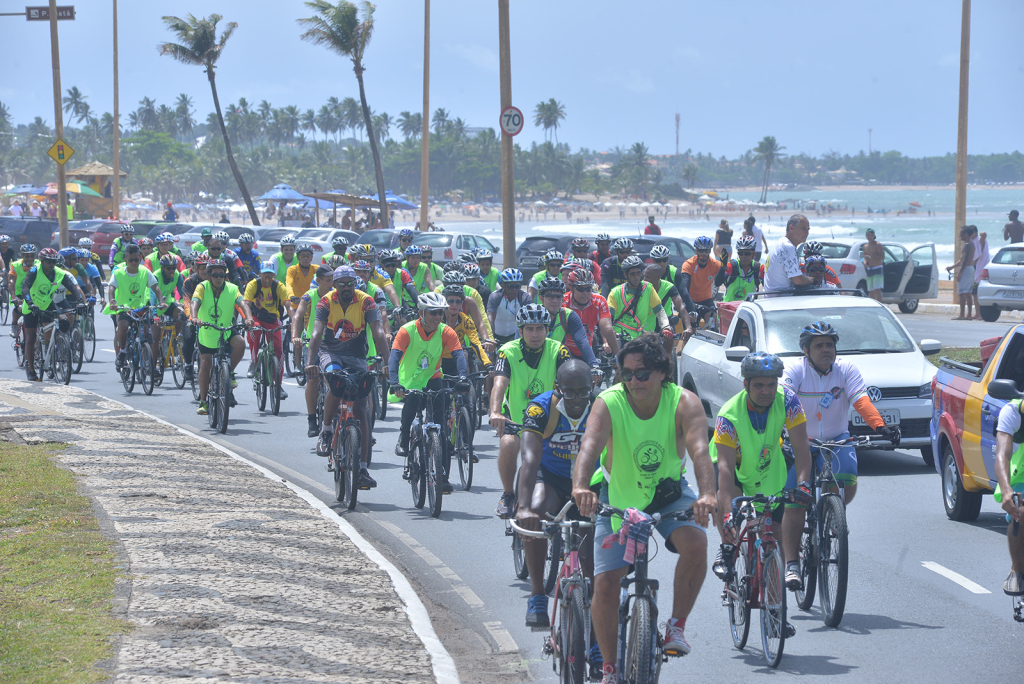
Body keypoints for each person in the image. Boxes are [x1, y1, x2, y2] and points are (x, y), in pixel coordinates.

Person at [572, 334, 718, 679]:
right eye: (627, 374)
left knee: (697, 544)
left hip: (667, 496)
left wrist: (707, 494)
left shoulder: (684, 402)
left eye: (643, 373)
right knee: (606, 582)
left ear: (663, 372)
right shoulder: (609, 402)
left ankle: (676, 626)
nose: (634, 381)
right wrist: (580, 487)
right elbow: (589, 447)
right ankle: (609, 668)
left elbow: (699, 452)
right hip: (618, 499)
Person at [710, 352, 812, 621]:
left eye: (771, 384)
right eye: (759, 385)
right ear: (746, 385)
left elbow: (802, 448)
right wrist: (730, 512)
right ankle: (727, 550)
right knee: (726, 507)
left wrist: (803, 485)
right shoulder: (728, 416)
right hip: (731, 466)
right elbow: (725, 470)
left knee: (773, 538)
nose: (766, 391)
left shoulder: (789, 401)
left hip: (768, 468)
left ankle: (776, 613)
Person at [517, 359, 596, 660]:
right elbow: (529, 458)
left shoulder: (602, 408)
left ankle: (595, 635)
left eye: (583, 393)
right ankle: (538, 595)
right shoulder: (540, 409)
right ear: (557, 389)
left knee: (592, 562)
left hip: (588, 483)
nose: (577, 400)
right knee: (536, 512)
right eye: (570, 393)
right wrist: (523, 507)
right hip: (550, 478)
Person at [782, 322, 897, 514]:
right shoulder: (795, 370)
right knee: (793, 502)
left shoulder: (846, 369)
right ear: (805, 350)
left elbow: (861, 401)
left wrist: (880, 426)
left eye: (830, 345)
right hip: (800, 440)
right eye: (819, 346)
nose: (826, 349)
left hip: (836, 438)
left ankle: (831, 514)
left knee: (848, 475)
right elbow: (784, 399)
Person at [306, 266, 390, 488]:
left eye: (350, 284)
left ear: (356, 284)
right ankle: (325, 432)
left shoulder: (366, 301)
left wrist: (389, 363)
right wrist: (310, 362)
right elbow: (316, 333)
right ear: (334, 285)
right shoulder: (325, 301)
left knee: (361, 407)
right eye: (341, 284)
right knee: (336, 383)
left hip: (356, 356)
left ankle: (362, 468)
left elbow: (378, 332)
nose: (346, 288)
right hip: (330, 352)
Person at [491, 304, 572, 517]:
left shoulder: (559, 350)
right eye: (529, 329)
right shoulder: (507, 351)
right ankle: (508, 494)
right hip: (517, 419)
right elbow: (499, 383)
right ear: (520, 331)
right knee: (508, 444)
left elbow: (569, 382)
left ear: (547, 330)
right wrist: (495, 411)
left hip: (550, 422)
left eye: (539, 328)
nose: (534, 334)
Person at [390, 291, 467, 494]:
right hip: (411, 380)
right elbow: (394, 357)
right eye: (433, 313)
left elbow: (459, 354)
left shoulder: (445, 331)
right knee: (413, 402)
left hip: (433, 378)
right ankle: (404, 436)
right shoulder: (406, 331)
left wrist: (462, 377)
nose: (437, 317)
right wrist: (395, 382)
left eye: (440, 313)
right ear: (421, 313)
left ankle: (442, 475)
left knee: (440, 426)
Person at [190, 259, 252, 416]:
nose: (218, 278)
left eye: (221, 275)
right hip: (207, 332)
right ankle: (203, 401)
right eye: (215, 275)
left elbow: (242, 303)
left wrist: (248, 317)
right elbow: (194, 302)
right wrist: (194, 317)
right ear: (209, 276)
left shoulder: (232, 288)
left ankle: (229, 373)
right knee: (206, 364)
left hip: (226, 331)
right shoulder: (202, 287)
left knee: (240, 343)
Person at [20, 248, 83, 380]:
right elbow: (25, 287)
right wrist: (30, 303)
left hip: (47, 304)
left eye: (53, 262)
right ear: (42, 261)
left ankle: (56, 344)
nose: (51, 264)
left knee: (65, 321)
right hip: (32, 306)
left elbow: (72, 286)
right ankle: (31, 369)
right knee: (31, 337)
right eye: (48, 262)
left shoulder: (59, 273)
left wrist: (80, 301)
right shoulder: (34, 270)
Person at [293, 265, 335, 436]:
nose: (331, 283)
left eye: (333, 280)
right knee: (313, 379)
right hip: (313, 343)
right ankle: (311, 418)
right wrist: (295, 336)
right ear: (318, 281)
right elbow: (298, 316)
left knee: (334, 380)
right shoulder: (309, 297)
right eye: (328, 281)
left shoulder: (336, 296)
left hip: (332, 344)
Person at [244, 261, 292, 399]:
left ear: (274, 275)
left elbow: (288, 306)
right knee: (256, 330)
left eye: (270, 275)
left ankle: (278, 385)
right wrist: (248, 319)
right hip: (256, 316)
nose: (267, 277)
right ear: (260, 274)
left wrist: (293, 320)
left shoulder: (278, 286)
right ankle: (254, 362)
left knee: (279, 350)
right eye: (265, 274)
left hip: (272, 318)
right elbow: (246, 304)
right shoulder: (253, 285)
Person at [993, 392, 1024, 596]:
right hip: (1020, 477)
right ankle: (1017, 570)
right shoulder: (1012, 411)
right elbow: (1002, 454)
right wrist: (1006, 490)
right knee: (1021, 511)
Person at [608, 255, 673, 348]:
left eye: (639, 273)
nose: (637, 277)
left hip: (639, 336)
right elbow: (608, 318)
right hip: (619, 336)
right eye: (632, 274)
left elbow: (659, 311)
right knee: (618, 359)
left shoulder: (648, 288)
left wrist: (666, 327)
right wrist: (609, 336)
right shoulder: (615, 293)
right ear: (625, 275)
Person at [536, 276, 601, 369]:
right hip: (534, 362)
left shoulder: (568, 315)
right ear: (541, 298)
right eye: (550, 297)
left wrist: (593, 364)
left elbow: (582, 341)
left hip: (556, 362)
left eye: (558, 297)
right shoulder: (532, 314)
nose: (555, 301)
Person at [563, 267, 620, 358]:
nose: (585, 293)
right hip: (565, 351)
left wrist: (618, 357)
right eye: (581, 289)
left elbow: (607, 328)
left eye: (588, 289)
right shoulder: (563, 302)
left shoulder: (599, 301)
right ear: (572, 288)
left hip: (587, 351)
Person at [764, 214, 813, 293]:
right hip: (781, 299)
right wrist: (812, 280)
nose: (806, 233)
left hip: (774, 297)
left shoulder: (780, 243)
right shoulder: (787, 247)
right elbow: (797, 280)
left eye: (808, 229)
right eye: (803, 229)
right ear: (791, 228)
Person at [678, 236, 722, 326]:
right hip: (690, 300)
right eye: (701, 251)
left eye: (707, 251)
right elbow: (685, 286)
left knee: (714, 324)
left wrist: (724, 268)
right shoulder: (689, 264)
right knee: (690, 330)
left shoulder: (715, 264)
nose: (704, 253)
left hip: (706, 300)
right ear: (696, 250)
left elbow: (723, 280)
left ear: (710, 251)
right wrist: (689, 305)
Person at [487, 268, 532, 346]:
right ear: (503, 286)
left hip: (514, 337)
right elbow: (490, 319)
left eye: (517, 286)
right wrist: (491, 339)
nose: (514, 289)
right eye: (511, 286)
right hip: (495, 335)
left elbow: (528, 320)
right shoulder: (495, 296)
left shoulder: (524, 297)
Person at [716, 235, 765, 302]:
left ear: (754, 254)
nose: (743, 256)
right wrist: (722, 267)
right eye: (741, 253)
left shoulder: (759, 268)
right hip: (728, 308)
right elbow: (717, 283)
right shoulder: (731, 266)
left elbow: (769, 288)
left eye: (747, 253)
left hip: (748, 309)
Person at [946, 225, 976, 320]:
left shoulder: (968, 245)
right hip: (970, 268)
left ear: (966, 234)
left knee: (962, 293)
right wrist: (952, 267)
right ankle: (969, 315)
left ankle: (962, 314)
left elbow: (965, 260)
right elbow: (961, 260)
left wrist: (960, 273)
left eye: (961, 233)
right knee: (968, 292)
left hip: (966, 269)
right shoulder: (971, 244)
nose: (960, 235)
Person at [9, 244, 37, 338]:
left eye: (32, 255)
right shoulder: (16, 265)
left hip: (34, 293)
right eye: (27, 256)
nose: (30, 258)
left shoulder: (39, 264)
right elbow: (11, 281)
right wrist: (14, 296)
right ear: (22, 256)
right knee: (19, 309)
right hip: (20, 293)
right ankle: (14, 324)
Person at [286, 243, 317, 310]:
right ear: (297, 257)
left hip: (312, 305)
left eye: (308, 256)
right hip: (296, 305)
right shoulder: (292, 270)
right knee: (295, 320)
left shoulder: (316, 269)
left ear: (311, 258)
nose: (305, 258)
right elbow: (288, 284)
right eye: (303, 256)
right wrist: (291, 296)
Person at [971, 226, 990, 321]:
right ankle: (977, 313)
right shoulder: (973, 242)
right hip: (976, 269)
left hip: (980, 269)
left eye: (971, 233)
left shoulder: (979, 240)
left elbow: (984, 234)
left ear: (975, 232)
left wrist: (981, 233)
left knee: (978, 294)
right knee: (974, 294)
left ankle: (980, 314)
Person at [861, 228, 885, 301]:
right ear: (866, 236)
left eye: (871, 235)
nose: (870, 237)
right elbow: (864, 257)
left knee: (877, 289)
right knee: (870, 290)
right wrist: (864, 262)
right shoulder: (865, 246)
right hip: (869, 269)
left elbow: (882, 256)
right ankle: (872, 306)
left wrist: (871, 257)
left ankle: (879, 305)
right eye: (868, 235)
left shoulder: (877, 245)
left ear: (874, 236)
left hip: (877, 268)